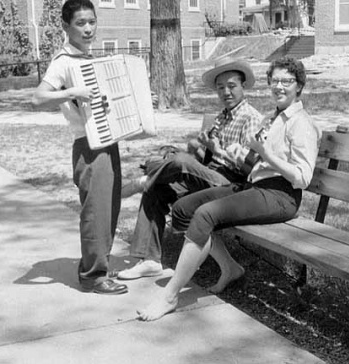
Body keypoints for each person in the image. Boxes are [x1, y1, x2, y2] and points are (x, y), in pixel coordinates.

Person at [137, 57, 322, 321]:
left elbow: (302, 177)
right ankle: (230, 269)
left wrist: (265, 154)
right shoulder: (275, 119)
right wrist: (240, 155)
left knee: (205, 214)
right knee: (182, 209)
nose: (279, 86)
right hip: (255, 187)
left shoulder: (300, 122)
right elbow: (256, 161)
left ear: (299, 86)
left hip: (280, 196)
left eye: (287, 81)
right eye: (275, 81)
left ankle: (169, 296)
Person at [117, 57, 263, 280]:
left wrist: (218, 150)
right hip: (211, 176)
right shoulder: (222, 117)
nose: (226, 92)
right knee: (156, 190)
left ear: (243, 86)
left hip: (233, 186)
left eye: (232, 86)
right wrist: (201, 148)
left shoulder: (250, 118)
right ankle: (149, 260)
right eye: (221, 88)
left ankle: (146, 176)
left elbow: (250, 169)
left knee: (181, 162)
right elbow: (206, 158)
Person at [31, 0, 127, 295]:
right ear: (65, 27)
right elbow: (38, 98)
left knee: (109, 208)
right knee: (95, 212)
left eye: (91, 22)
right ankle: (92, 276)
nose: (88, 29)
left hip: (106, 141)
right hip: (87, 146)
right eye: (80, 23)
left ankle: (99, 266)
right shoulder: (64, 61)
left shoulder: (88, 58)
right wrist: (73, 92)